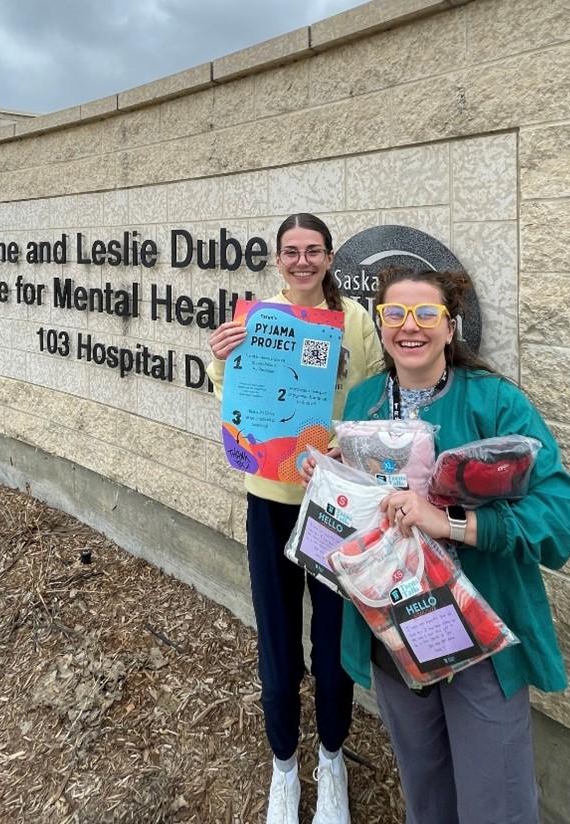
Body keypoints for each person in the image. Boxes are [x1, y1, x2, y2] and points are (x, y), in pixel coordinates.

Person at [338, 265, 570, 824]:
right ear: (379, 324)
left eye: (427, 314)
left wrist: (450, 521)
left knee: (495, 799)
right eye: (394, 314)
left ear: (451, 327)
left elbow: (559, 517)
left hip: (479, 630)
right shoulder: (364, 403)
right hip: (393, 628)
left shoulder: (495, 403)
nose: (410, 327)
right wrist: (333, 490)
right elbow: (350, 512)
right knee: (426, 791)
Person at [207, 213, 383, 824]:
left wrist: (347, 441)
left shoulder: (356, 322)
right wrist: (221, 357)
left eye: (313, 250)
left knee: (334, 641)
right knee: (277, 636)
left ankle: (331, 758)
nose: (302, 260)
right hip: (271, 498)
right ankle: (284, 764)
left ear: (330, 257)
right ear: (278, 258)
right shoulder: (255, 319)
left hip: (336, 501)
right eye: (291, 251)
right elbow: (235, 397)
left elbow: (373, 402)